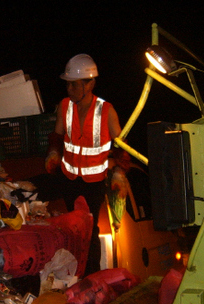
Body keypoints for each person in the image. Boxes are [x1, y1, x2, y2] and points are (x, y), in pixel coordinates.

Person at [45, 54, 129, 277]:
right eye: (68, 84)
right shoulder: (65, 106)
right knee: (71, 230)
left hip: (94, 184)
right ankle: (72, 275)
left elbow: (122, 148)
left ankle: (91, 276)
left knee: (89, 233)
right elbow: (57, 135)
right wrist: (54, 152)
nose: (69, 89)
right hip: (69, 179)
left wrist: (119, 172)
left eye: (74, 84)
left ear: (90, 83)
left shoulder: (107, 111)